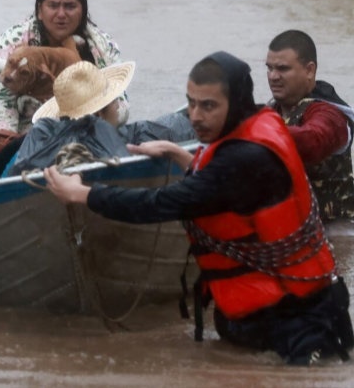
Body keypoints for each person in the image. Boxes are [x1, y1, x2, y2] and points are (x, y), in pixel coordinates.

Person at [44, 51, 352, 365]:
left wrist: (83, 194)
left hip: (300, 322)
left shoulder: (243, 157)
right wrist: (177, 153)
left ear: (237, 102)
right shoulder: (260, 125)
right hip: (276, 314)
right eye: (191, 103)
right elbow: (232, 193)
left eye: (208, 106)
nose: (195, 117)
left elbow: (161, 203)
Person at [0, 0, 129, 140]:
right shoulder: (15, 40)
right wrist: (9, 146)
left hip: (84, 132)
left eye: (70, 6)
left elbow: (122, 107)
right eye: (53, 6)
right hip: (24, 135)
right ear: (40, 11)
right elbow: (1, 100)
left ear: (83, 11)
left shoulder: (102, 45)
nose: (61, 14)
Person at [265, 29, 353, 222]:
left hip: (333, 231)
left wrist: (257, 132)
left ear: (309, 70)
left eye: (282, 69)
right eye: (269, 68)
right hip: (287, 225)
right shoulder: (270, 111)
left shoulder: (330, 114)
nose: (273, 76)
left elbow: (314, 140)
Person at [1, 61, 135, 177]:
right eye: (114, 101)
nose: (118, 106)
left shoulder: (35, 143)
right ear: (99, 114)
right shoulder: (106, 145)